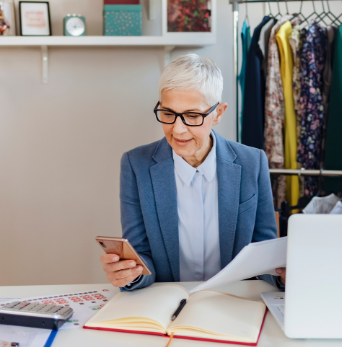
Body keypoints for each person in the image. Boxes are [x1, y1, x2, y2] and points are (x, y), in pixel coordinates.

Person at [99, 54, 285, 290]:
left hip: (235, 301)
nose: (177, 129)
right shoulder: (136, 164)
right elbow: (141, 254)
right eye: (168, 114)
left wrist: (281, 274)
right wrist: (130, 274)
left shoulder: (252, 162)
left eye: (192, 116)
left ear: (218, 113)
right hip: (167, 302)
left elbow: (264, 250)